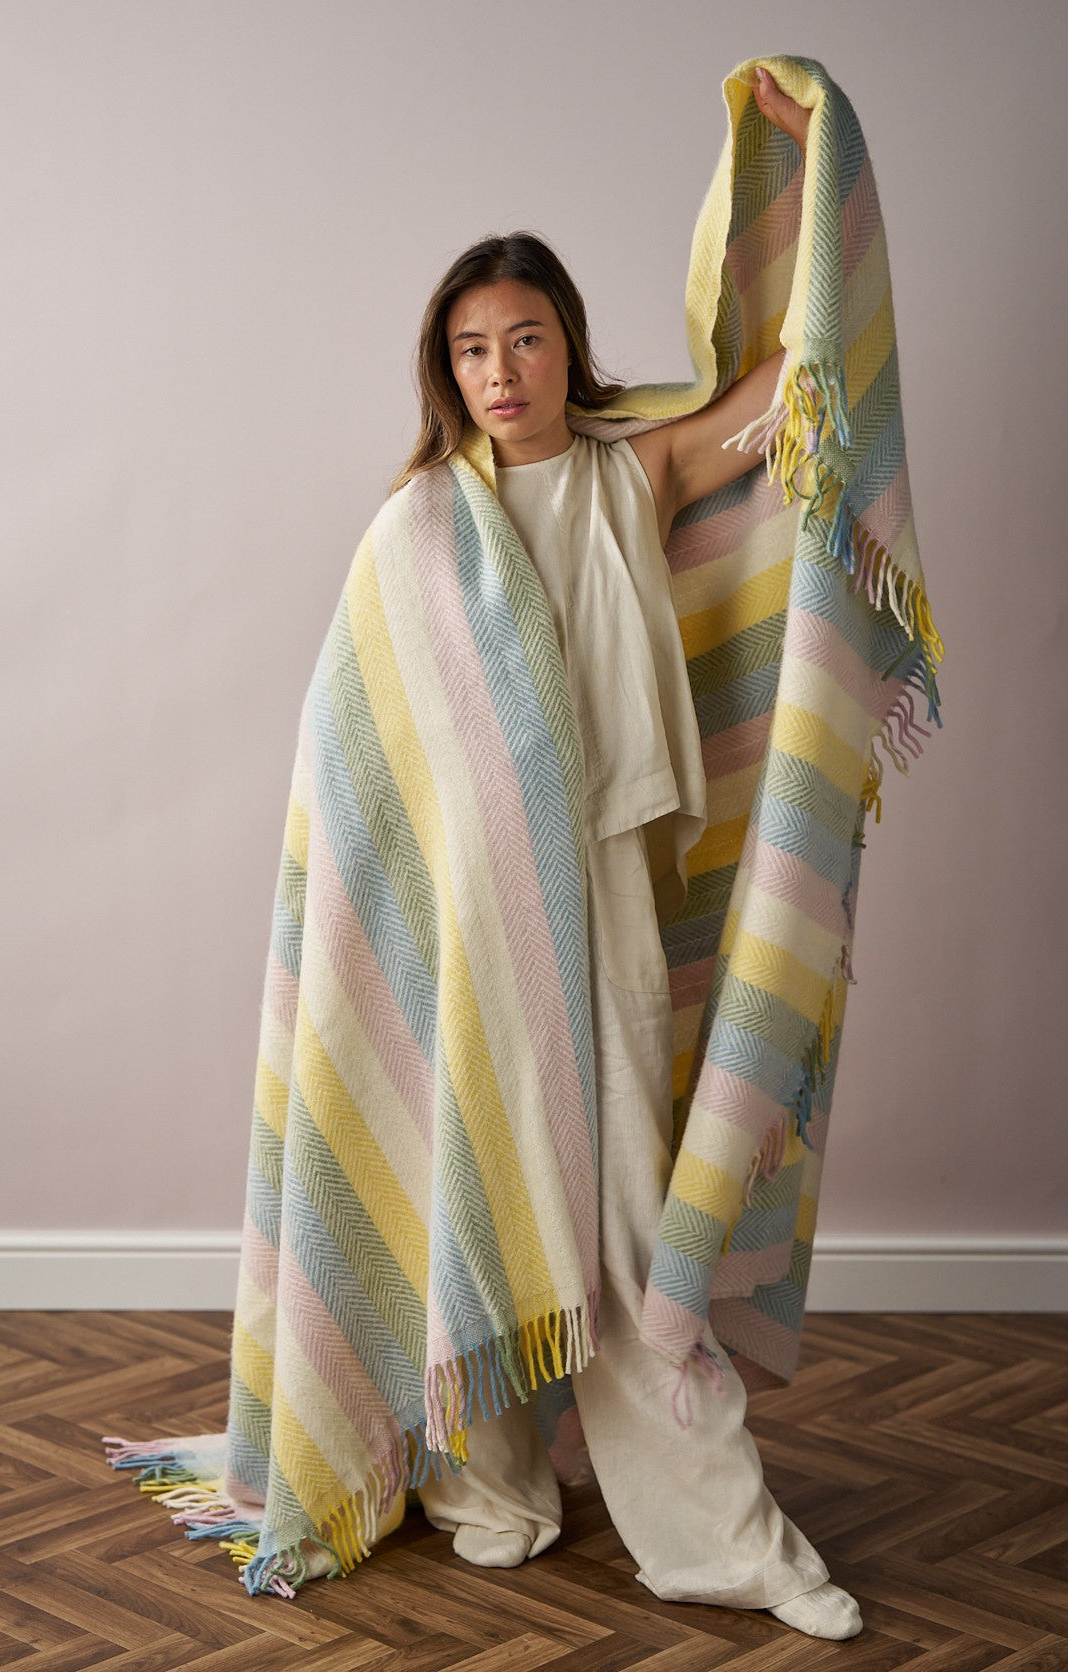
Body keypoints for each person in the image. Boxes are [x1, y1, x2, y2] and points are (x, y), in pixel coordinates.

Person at [382, 66, 864, 1643]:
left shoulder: (628, 471)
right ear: (445, 368)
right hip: (467, 904)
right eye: (472, 346)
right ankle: (487, 1479)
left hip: (597, 879)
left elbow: (790, 384)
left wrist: (808, 163)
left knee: (618, 1204)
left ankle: (720, 1539)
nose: (499, 369)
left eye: (524, 337)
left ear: (566, 344)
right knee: (482, 1177)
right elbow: (368, 757)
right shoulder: (414, 526)